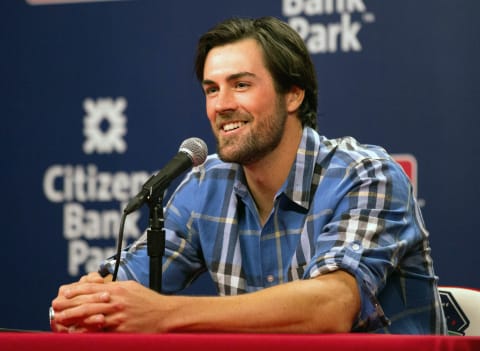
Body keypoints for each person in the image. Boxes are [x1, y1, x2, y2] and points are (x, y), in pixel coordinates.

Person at [51, 16, 446, 334]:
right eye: (211, 89)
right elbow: (125, 286)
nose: (221, 105)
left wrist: (163, 314)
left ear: (293, 94)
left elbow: (331, 306)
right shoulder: (205, 185)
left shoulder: (366, 175)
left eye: (240, 85)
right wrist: (86, 301)